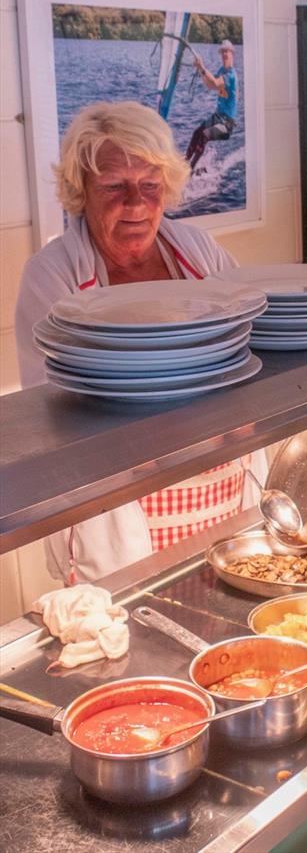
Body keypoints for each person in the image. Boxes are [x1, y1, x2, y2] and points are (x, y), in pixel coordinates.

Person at [15, 100, 266, 583]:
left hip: (221, 482)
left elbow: (256, 339)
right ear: (80, 190)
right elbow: (57, 407)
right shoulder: (51, 275)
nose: (135, 203)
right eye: (114, 186)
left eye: (149, 185)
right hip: (118, 505)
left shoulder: (196, 248)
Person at [185, 38, 238, 171]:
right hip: (217, 117)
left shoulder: (231, 75)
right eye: (223, 52)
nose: (225, 54)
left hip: (226, 125)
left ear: (232, 54)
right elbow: (210, 85)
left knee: (204, 135)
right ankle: (184, 163)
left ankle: (189, 170)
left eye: (227, 52)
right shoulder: (221, 70)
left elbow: (215, 83)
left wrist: (202, 67)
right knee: (197, 133)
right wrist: (200, 69)